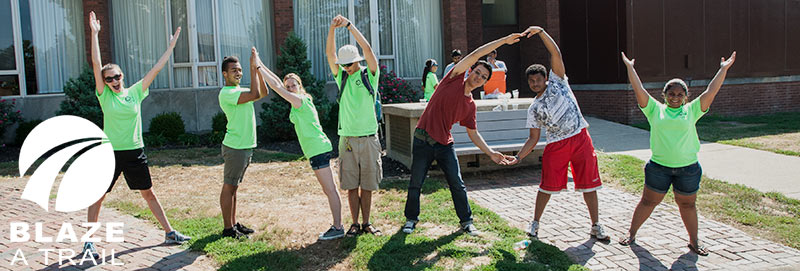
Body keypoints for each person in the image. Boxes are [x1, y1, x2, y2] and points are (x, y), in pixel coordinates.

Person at [85, 11, 190, 257]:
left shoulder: (135, 92)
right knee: (98, 196)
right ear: (105, 81)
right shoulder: (104, 96)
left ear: (123, 75)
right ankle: (89, 242)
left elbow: (156, 68)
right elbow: (96, 64)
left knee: (148, 192)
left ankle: (169, 232)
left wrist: (172, 46)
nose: (114, 80)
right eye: (109, 78)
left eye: (117, 76)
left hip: (134, 151)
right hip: (109, 153)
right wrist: (94, 34)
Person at [617, 51, 736, 256]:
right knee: (648, 202)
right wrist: (630, 67)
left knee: (688, 205)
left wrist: (723, 69)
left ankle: (694, 241)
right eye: (671, 94)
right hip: (659, 168)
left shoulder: (692, 110)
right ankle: (632, 233)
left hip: (688, 169)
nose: (675, 98)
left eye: (680, 94)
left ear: (685, 97)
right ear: (664, 95)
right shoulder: (654, 109)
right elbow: (639, 89)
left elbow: (711, 91)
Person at [401, 33, 521, 236]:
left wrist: (491, 153)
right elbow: (477, 53)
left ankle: (466, 221)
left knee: (457, 184)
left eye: (484, 77)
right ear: (471, 70)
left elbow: (473, 134)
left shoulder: (470, 105)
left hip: (444, 144)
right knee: (416, 182)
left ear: (484, 83)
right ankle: (411, 219)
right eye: (478, 72)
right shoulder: (453, 79)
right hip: (422, 138)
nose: (479, 77)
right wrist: (503, 40)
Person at [511, 26, 610, 241]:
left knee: (589, 184)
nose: (535, 83)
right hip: (557, 145)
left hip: (580, 137)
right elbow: (533, 138)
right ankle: (535, 223)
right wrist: (519, 157)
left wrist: (541, 32)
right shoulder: (534, 108)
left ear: (547, 77)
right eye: (531, 81)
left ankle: (596, 225)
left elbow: (555, 54)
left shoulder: (559, 81)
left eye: (538, 79)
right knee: (547, 186)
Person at [252, 56, 345, 241]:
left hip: (318, 149)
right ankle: (338, 225)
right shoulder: (300, 101)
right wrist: (260, 65)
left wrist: (258, 68)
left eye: (293, 85)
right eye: (289, 87)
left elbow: (277, 87)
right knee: (330, 189)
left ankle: (338, 227)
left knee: (330, 190)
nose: (290, 88)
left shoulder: (300, 101)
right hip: (317, 149)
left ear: (300, 86)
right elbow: (278, 83)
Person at [326, 15, 383, 236]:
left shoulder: (370, 75)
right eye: (344, 65)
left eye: (349, 64)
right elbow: (330, 54)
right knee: (351, 185)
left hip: (369, 138)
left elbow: (368, 49)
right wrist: (332, 29)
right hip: (347, 139)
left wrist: (349, 26)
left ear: (357, 61)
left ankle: (367, 223)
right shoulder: (342, 77)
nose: (347, 68)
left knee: (367, 185)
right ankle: (354, 223)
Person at [217, 48, 269, 239]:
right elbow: (256, 94)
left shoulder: (239, 91)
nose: (238, 73)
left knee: (234, 187)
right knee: (229, 186)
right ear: (225, 74)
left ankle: (233, 223)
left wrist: (258, 67)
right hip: (235, 147)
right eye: (234, 71)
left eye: (240, 70)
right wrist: (251, 65)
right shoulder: (227, 93)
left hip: (245, 146)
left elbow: (263, 91)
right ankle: (227, 229)